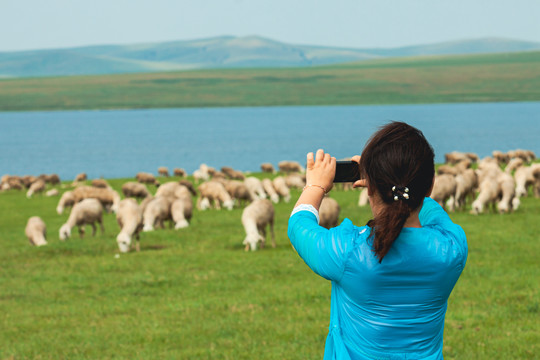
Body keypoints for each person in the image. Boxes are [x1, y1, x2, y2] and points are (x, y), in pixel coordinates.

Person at [287, 122, 468, 360]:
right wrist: (394, 184)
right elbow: (429, 209)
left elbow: (298, 224)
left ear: (369, 187)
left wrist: (316, 185)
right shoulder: (452, 248)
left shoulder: (348, 251)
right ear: (431, 185)